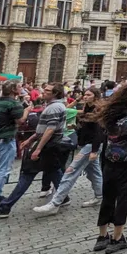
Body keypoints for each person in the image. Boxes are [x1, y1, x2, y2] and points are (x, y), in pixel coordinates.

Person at [0, 83, 70, 219]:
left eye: (47, 90)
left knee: (27, 175)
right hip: (49, 145)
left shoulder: (55, 107)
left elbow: (50, 130)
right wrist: (30, 140)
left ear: (55, 94)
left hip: (49, 146)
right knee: (54, 172)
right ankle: (64, 197)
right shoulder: (52, 106)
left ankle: (5, 207)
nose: (43, 92)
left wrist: (37, 148)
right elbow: (42, 129)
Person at [90, 84, 127, 253]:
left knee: (108, 196)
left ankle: (102, 236)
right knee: (123, 197)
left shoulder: (110, 114)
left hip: (109, 158)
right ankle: (117, 238)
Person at [34, 87, 105, 215]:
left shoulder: (97, 109)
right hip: (87, 143)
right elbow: (87, 127)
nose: (85, 96)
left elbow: (99, 131)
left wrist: (94, 150)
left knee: (71, 171)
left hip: (91, 145)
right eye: (85, 94)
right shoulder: (87, 108)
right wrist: (76, 127)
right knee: (93, 173)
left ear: (95, 96)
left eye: (88, 95)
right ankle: (100, 196)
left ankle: (56, 202)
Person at [0, 81, 29, 206]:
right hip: (4, 141)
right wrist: (27, 110)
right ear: (13, 90)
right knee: (3, 169)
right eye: (19, 86)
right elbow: (20, 120)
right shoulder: (13, 103)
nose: (21, 88)